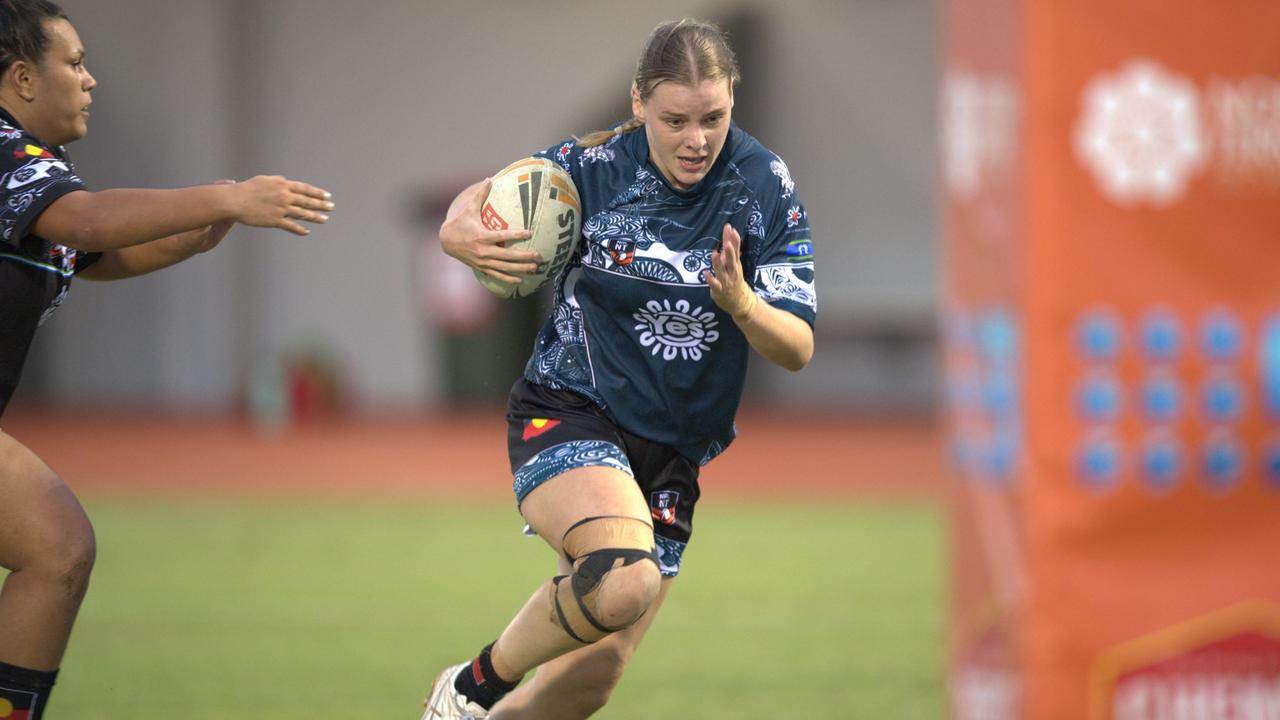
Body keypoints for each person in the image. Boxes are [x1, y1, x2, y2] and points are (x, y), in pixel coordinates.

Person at [425, 17, 816, 720]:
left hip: (671, 453)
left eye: (713, 118)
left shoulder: (762, 183)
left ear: (734, 99)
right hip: (571, 410)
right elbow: (491, 193)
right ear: (639, 103)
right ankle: (470, 690)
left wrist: (744, 305)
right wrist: (458, 232)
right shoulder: (596, 164)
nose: (696, 139)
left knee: (592, 679)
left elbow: (797, 346)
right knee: (625, 582)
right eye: (675, 120)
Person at [0, 2, 334, 717]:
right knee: (55, 547)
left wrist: (201, 227)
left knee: (56, 549)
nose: (90, 81)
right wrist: (228, 196)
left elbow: (96, 254)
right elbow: (82, 220)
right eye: (75, 63)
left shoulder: (36, 172)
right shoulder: (2, 151)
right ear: (24, 78)